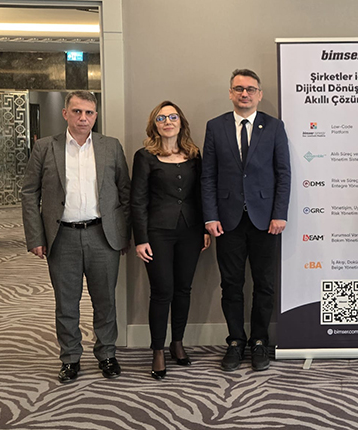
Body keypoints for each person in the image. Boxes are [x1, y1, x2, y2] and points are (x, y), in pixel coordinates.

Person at [21, 91, 130, 383]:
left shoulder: (110, 146)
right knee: (66, 303)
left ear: (96, 115)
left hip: (103, 236)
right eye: (77, 111)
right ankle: (70, 358)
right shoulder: (45, 147)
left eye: (89, 112)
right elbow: (29, 193)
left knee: (105, 301)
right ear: (65, 113)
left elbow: (125, 192)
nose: (83, 118)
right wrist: (35, 236)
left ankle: (107, 354)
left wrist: (123, 235)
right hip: (62, 237)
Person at [202, 69, 291, 372]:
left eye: (251, 89)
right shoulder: (215, 127)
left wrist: (280, 213)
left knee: (264, 284)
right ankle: (236, 341)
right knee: (231, 284)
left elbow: (283, 173)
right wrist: (210, 216)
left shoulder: (274, 127)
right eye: (239, 88)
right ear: (230, 93)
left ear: (259, 94)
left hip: (266, 220)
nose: (245, 94)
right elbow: (208, 176)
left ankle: (260, 341)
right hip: (227, 221)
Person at [131, 101, 211, 379]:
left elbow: (201, 194)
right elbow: (138, 200)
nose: (168, 122)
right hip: (157, 233)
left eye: (173, 117)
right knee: (162, 291)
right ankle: (157, 350)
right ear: (154, 124)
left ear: (181, 122)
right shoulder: (144, 156)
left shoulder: (194, 154)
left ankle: (177, 342)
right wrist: (140, 238)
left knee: (183, 289)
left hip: (190, 231)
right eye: (161, 118)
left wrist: (204, 228)